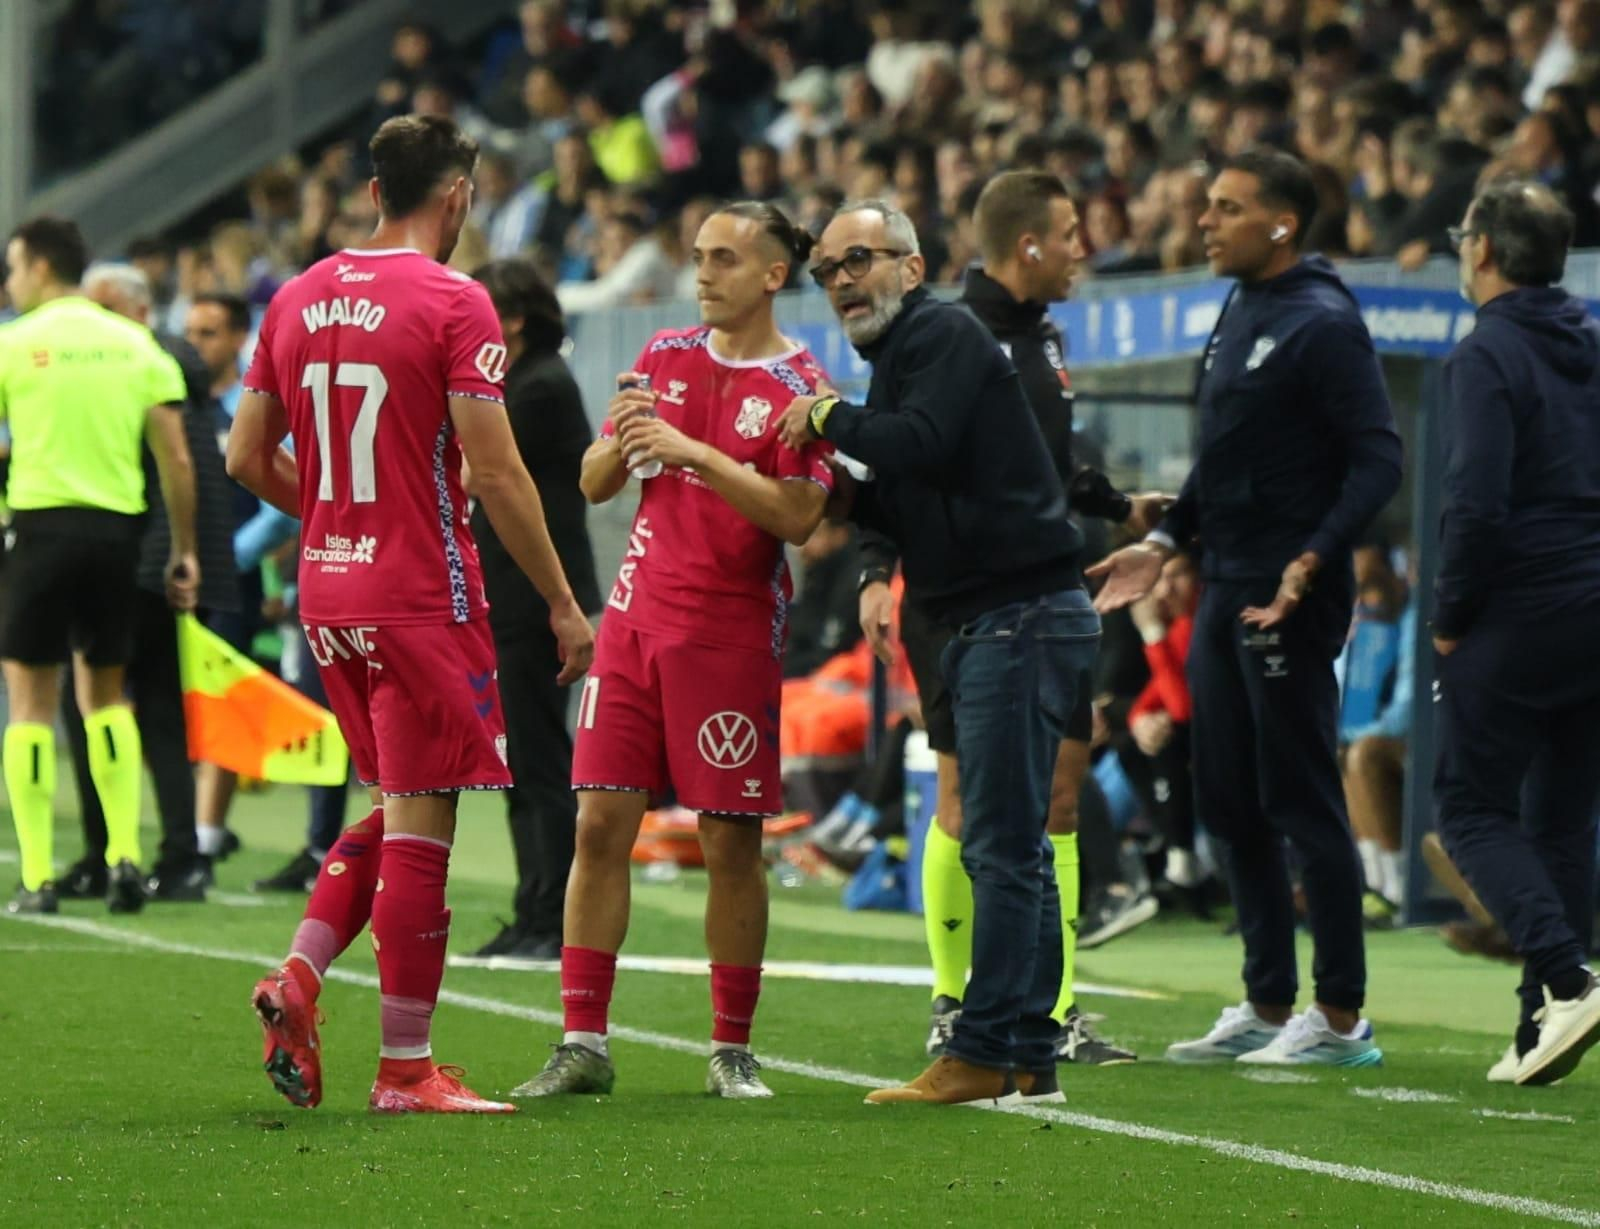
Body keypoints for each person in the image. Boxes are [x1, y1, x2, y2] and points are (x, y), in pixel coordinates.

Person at [228, 114, 594, 1115]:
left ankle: (300, 977)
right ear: (458, 194)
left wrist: (341, 514)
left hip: (328, 590)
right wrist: (564, 602)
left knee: (399, 803)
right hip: (421, 590)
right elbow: (496, 468)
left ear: (374, 189)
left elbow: (243, 458)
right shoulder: (452, 298)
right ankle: (404, 1068)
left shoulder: (296, 295)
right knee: (423, 821)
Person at [776, 199, 1099, 1107]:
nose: (842, 281)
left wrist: (827, 418)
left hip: (1015, 615)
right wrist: (828, 489)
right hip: (1007, 615)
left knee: (999, 843)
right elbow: (911, 486)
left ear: (912, 269)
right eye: (828, 270)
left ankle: (983, 1048)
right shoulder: (915, 351)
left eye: (859, 261)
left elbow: (917, 445)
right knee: (1015, 844)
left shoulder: (940, 335)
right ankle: (1030, 1050)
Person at [515, 201, 833, 1102]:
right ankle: (583, 1039)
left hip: (728, 633)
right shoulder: (662, 356)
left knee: (730, 843)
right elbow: (591, 476)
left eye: (725, 259)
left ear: (773, 275)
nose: (703, 274)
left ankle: (731, 1046)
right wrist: (623, 444)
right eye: (699, 257)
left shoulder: (802, 389)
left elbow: (800, 518)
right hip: (634, 619)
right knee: (599, 824)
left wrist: (694, 452)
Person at [1092, 150, 1401, 1068]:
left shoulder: (1323, 319)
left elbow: (1379, 459)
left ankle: (1341, 1017)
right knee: (1227, 795)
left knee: (1300, 794)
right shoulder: (1242, 308)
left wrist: (1315, 553)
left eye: (1227, 208)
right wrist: (1161, 543)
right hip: (1225, 578)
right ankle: (1268, 1001)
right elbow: (1226, 463)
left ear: (1282, 224)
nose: (1205, 221)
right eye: (1208, 204)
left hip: (1285, 590)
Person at [853, 171, 1160, 1065]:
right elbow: (892, 455)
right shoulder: (947, 334)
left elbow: (1043, 463)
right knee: (963, 802)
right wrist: (877, 572)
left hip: (1038, 591)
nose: (1082, 251)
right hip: (959, 603)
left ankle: (1049, 1011)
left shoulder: (1040, 338)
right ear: (1029, 244)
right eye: (1071, 233)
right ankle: (956, 1001)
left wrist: (1115, 504)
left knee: (1060, 793)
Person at [1433, 178, 1600, 1086]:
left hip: (1520, 606)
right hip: (1592, 601)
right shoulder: (1593, 342)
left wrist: (1452, 618)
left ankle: (1570, 982)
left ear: (1484, 251)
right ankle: (1543, 1018)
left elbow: (1477, 503)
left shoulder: (1484, 354)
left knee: (1468, 805)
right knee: (1563, 818)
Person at [0, 216, 200, 915]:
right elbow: (175, 456)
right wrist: (183, 547)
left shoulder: (15, 342)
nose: (10, 280)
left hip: (39, 526)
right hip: (117, 535)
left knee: (27, 704)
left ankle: (37, 876)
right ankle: (123, 857)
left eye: (15, 267)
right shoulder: (135, 343)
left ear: (43, 268)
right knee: (106, 697)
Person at [54, 263, 238, 905]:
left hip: (139, 554)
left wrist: (164, 554)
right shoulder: (169, 362)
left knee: (92, 706)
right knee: (156, 709)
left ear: (134, 308)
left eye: (103, 307)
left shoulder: (147, 359)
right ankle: (173, 857)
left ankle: (114, 853)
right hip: (166, 551)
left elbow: (164, 467)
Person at [468, 257, 601, 961]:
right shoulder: (523, 381)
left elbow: (475, 465)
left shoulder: (539, 385)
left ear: (513, 318)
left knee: (539, 760)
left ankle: (552, 913)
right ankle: (533, 906)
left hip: (532, 596)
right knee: (522, 757)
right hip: (512, 592)